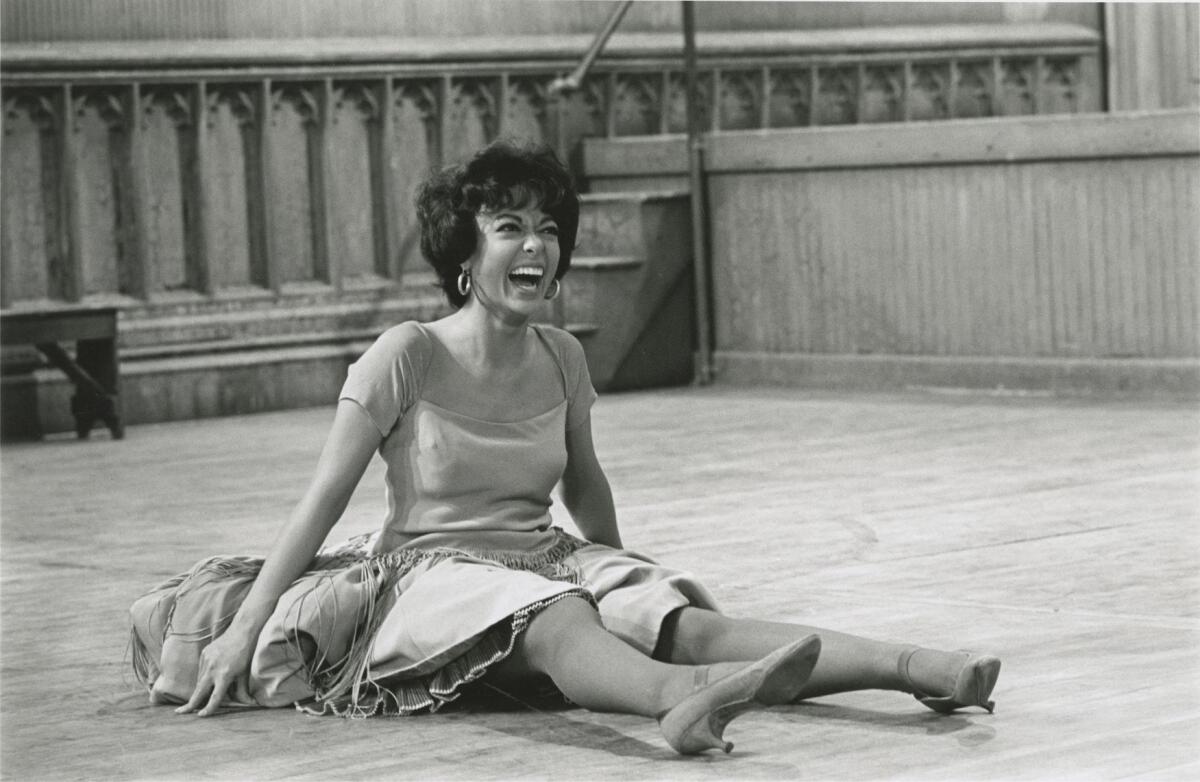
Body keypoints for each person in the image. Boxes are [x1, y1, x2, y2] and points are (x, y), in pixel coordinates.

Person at [129, 140, 1000, 755]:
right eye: (510, 225)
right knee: (558, 616)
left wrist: (631, 581)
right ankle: (678, 705)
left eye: (548, 229)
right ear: (464, 254)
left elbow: (587, 489)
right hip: (431, 575)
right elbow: (318, 504)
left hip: (544, 557)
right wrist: (245, 630)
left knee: (681, 620)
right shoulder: (407, 353)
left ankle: (915, 666)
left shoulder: (562, 355)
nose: (536, 245)